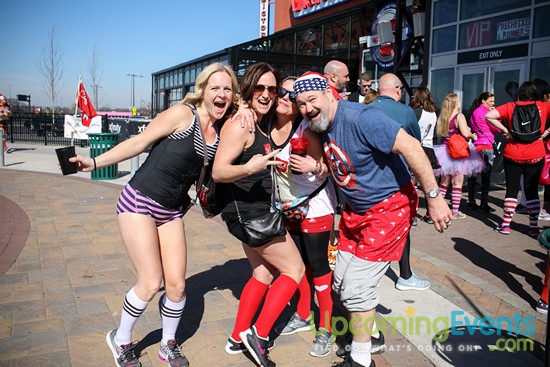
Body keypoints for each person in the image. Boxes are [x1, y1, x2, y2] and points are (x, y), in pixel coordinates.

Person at [70, 62, 239, 367]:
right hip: (140, 201)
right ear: (202, 91)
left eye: (227, 88)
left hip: (172, 211)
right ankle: (120, 339)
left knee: (177, 285)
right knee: (150, 282)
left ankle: (167, 344)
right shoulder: (182, 115)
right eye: (215, 87)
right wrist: (93, 163)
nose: (221, 94)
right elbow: (139, 141)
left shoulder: (224, 126)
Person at [293, 71, 452, 367]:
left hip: (389, 207)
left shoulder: (361, 117)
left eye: (311, 100)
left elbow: (412, 147)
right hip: (355, 211)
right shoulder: (320, 124)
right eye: (301, 104)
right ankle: (372, 334)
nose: (307, 108)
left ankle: (363, 360)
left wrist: (433, 196)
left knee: (355, 289)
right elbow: (339, 165)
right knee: (341, 282)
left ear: (329, 93)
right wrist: (316, 168)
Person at [212, 62, 305, 367]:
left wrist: (270, 164)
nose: (266, 94)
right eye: (260, 88)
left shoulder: (255, 120)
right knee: (294, 271)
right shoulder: (242, 123)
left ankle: (237, 337)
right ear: (249, 88)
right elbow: (219, 171)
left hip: (250, 213)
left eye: (272, 88)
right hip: (251, 215)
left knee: (263, 274)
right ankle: (259, 334)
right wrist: (252, 168)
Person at [268, 76, 337, 357]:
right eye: (280, 92)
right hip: (287, 208)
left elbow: (326, 168)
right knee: (297, 266)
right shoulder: (267, 126)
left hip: (315, 206)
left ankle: (326, 329)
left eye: (290, 94)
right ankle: (302, 314)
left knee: (319, 267)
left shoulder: (306, 131)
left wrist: (314, 165)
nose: (283, 97)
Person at [371, 73, 429, 291]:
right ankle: (405, 275)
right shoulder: (405, 111)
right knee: (402, 226)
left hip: (369, 179)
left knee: (371, 224)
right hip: (397, 179)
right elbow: (415, 145)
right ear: (398, 89)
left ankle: (370, 273)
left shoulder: (365, 109)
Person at [485, 81, 550, 237]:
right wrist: (546, 132)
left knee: (512, 190)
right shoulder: (543, 106)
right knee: (532, 191)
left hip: (512, 154)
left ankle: (506, 225)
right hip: (535, 154)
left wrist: (505, 130)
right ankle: (533, 227)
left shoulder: (510, 106)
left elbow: (489, 116)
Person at [433, 93, 484, 220]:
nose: (461, 102)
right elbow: (466, 134)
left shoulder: (444, 116)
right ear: (456, 103)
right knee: (457, 183)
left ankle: (437, 208)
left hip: (445, 150)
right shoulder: (459, 116)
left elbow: (443, 134)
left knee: (444, 183)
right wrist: (473, 136)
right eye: (459, 101)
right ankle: (455, 211)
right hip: (457, 151)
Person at [466, 92, 500, 213]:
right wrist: (497, 116)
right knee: (486, 177)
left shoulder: (474, 113)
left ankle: (471, 201)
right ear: (483, 101)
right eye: (491, 101)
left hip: (476, 146)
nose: (493, 103)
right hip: (486, 145)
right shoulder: (487, 113)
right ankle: (483, 204)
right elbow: (496, 128)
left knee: (473, 175)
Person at [410, 87, 439, 224]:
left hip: (417, 148)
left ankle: (412, 214)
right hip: (429, 149)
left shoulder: (415, 112)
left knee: (412, 184)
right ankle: (430, 213)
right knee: (428, 183)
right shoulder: (433, 113)